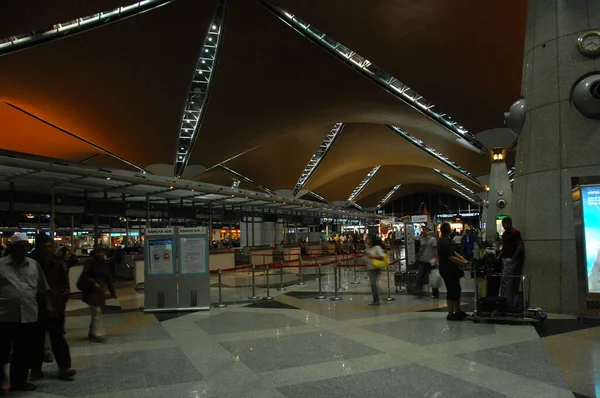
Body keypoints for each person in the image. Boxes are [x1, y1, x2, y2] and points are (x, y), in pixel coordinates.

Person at [0, 234, 50, 393]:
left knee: (23, 352)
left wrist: (47, 307)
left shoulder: (34, 265)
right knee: (1, 352)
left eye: (27, 246)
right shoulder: (1, 265)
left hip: (28, 315)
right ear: (11, 248)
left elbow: (42, 289)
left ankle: (19, 381)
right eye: (21, 246)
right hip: (5, 316)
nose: (25, 249)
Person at [29, 235, 76, 381]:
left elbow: (64, 285)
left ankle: (64, 367)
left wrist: (61, 300)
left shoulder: (58, 264)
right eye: (47, 246)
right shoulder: (31, 264)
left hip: (56, 307)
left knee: (58, 338)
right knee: (36, 340)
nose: (50, 249)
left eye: (52, 246)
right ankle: (35, 369)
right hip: (35, 307)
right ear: (39, 247)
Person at [78, 246, 116, 342]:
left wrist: (113, 291)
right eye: (98, 252)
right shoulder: (90, 262)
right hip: (91, 290)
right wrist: (93, 282)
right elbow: (85, 275)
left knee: (96, 311)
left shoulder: (104, 264)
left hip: (100, 291)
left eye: (101, 252)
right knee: (96, 310)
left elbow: (108, 278)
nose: (100, 254)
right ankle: (94, 332)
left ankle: (92, 331)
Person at [437, 223, 470, 321]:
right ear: (449, 230)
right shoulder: (444, 242)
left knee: (456, 289)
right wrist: (463, 262)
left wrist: (463, 260)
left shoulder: (445, 240)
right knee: (452, 291)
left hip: (450, 269)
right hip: (447, 270)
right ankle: (451, 313)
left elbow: (453, 252)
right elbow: (451, 257)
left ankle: (458, 310)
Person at [497, 217, 524, 298]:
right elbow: (505, 247)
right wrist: (499, 256)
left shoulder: (515, 233)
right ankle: (505, 296)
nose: (504, 226)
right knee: (506, 279)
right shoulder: (505, 234)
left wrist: (513, 258)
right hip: (505, 258)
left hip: (510, 259)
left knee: (505, 279)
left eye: (504, 225)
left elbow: (520, 246)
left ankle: (504, 297)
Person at [415, 227, 439, 298]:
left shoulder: (433, 240)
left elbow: (435, 251)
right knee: (419, 276)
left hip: (431, 261)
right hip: (423, 261)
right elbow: (421, 249)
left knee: (433, 278)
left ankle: (435, 293)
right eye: (423, 230)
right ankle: (419, 291)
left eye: (425, 230)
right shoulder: (422, 239)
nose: (424, 231)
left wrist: (436, 259)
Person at [365, 233, 386, 306]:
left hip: (375, 268)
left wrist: (372, 256)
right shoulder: (368, 248)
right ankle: (379, 297)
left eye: (368, 239)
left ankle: (376, 300)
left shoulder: (377, 248)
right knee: (372, 284)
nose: (367, 240)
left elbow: (382, 257)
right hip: (370, 268)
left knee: (373, 284)